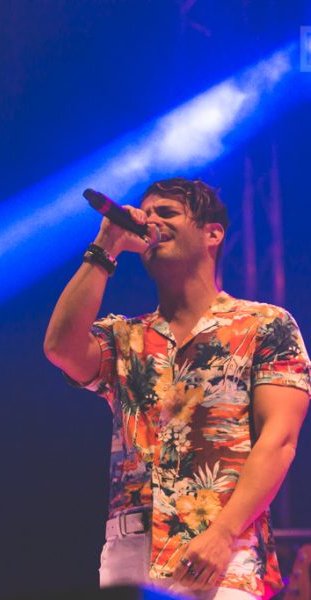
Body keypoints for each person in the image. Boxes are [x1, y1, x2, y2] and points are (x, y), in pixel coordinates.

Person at [43, 177, 311, 599]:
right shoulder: (125, 336)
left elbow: (279, 440)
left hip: (225, 550)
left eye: (167, 213)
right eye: (146, 214)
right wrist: (106, 245)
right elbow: (61, 348)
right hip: (131, 549)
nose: (150, 222)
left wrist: (222, 534)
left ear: (212, 234)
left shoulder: (265, 325)